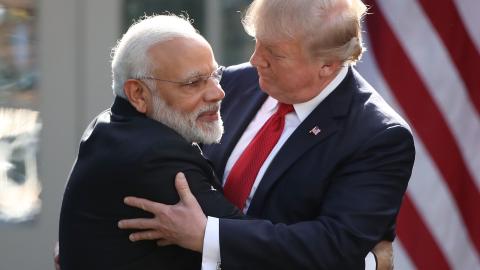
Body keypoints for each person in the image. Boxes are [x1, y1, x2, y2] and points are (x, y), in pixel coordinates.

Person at [117, 0, 415, 269]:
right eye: (257, 42)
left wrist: (209, 237)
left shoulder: (378, 136)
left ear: (327, 65)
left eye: (275, 53)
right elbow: (144, 121)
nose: (256, 59)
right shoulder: (234, 83)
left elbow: (334, 245)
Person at [58, 14, 244, 270]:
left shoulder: (109, 125)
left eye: (215, 75)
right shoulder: (155, 156)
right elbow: (252, 250)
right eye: (193, 83)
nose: (218, 93)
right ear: (138, 94)